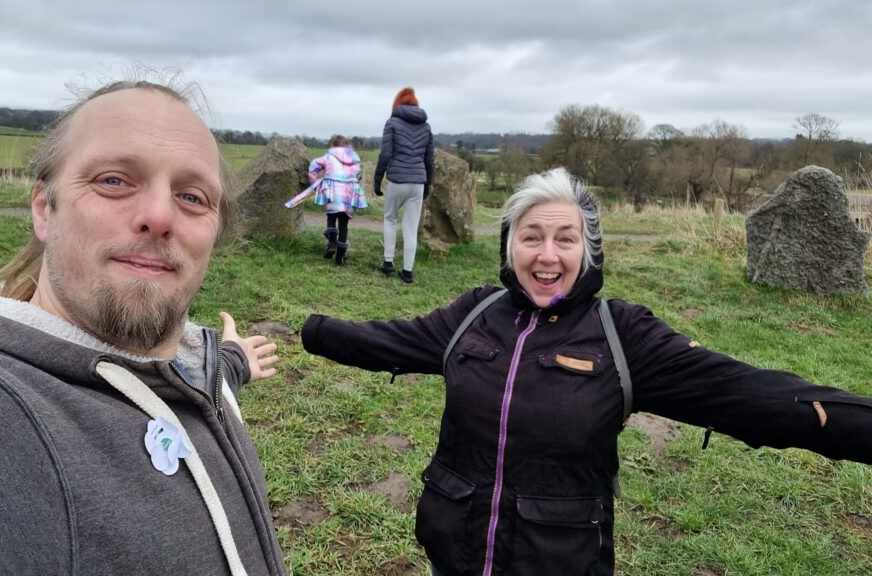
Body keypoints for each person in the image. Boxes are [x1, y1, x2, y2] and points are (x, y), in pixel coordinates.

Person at [301, 167, 872, 576]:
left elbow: (744, 392)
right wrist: (311, 330)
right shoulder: (473, 314)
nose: (547, 255)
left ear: (588, 251)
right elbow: (384, 340)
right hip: (455, 547)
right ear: (510, 248)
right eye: (531, 237)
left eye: (565, 239)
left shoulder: (623, 335)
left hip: (560, 559)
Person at [0, 79, 289, 576]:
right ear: (44, 208)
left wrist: (228, 365)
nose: (160, 216)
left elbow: (168, 382)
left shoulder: (192, 366)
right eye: (114, 181)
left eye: (191, 196)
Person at [373, 86, 434, 284]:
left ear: (397, 103)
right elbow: (429, 160)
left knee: (390, 219)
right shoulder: (426, 127)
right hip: (418, 182)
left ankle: (388, 262)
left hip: (397, 180)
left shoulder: (392, 123)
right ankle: (408, 271)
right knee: (411, 226)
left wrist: (377, 181)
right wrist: (428, 185)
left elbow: (385, 155)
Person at [308, 134, 367, 265]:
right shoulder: (353, 159)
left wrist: (316, 183)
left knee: (331, 217)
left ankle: (332, 243)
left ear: (333, 146)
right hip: (349, 193)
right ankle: (340, 256)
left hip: (332, 191)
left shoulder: (328, 157)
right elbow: (358, 176)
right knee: (344, 224)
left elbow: (313, 167)